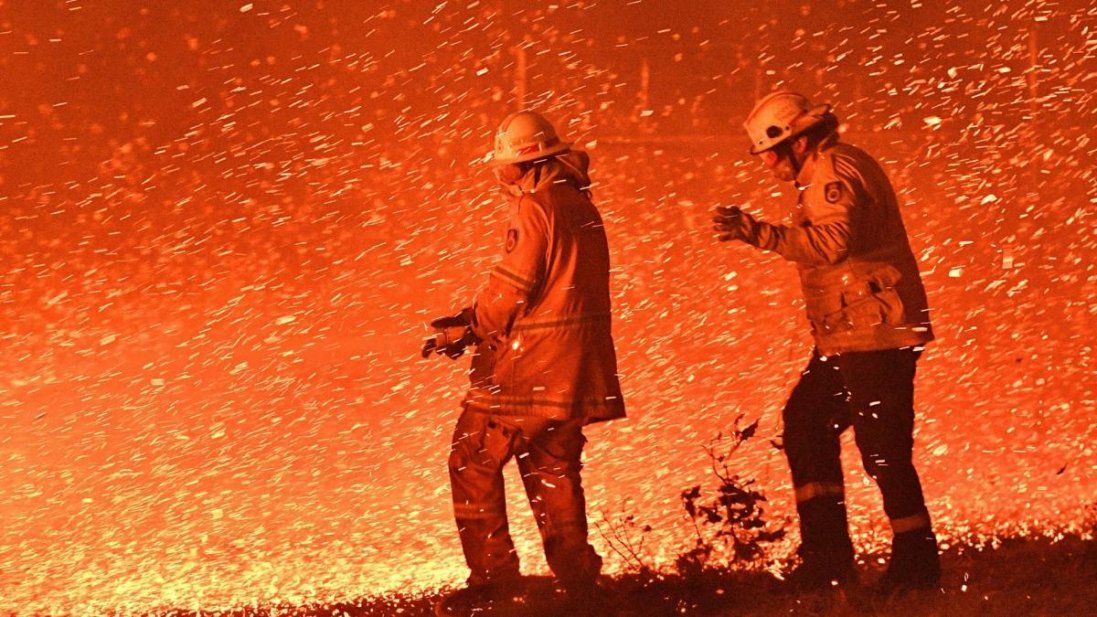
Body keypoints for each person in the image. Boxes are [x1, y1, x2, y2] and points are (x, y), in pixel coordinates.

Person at [712, 91, 940, 593]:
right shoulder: (830, 170)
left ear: (801, 141)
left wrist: (757, 232)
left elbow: (832, 246)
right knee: (807, 424)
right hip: (852, 335)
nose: (767, 161)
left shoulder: (834, 173)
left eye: (773, 150)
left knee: (883, 451)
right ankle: (827, 559)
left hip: (876, 335)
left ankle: (917, 566)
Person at [422, 110, 626, 615]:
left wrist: (468, 326)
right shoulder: (581, 205)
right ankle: (580, 584)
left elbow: (512, 289)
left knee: (471, 459)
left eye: (503, 163)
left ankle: (494, 583)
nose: (498, 174)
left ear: (523, 162)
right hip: (573, 373)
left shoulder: (536, 208)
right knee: (553, 469)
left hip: (526, 372)